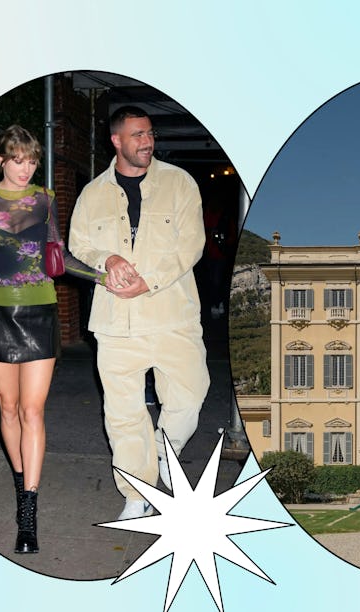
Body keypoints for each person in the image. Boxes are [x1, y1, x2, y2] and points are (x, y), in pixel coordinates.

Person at [0, 125, 107, 554]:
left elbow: (60, 255)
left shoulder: (45, 199)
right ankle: (21, 480)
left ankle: (29, 510)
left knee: (33, 410)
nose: (26, 168)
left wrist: (102, 277)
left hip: (39, 312)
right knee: (9, 407)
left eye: (32, 160)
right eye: (18, 160)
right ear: (0, 159)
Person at [69, 105, 210, 520]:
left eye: (149, 134)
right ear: (116, 140)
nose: (146, 142)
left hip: (172, 315)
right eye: (137, 135)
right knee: (123, 414)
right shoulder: (92, 194)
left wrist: (149, 280)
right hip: (115, 322)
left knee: (191, 394)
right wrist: (107, 259)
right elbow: (77, 247)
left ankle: (165, 448)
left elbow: (191, 244)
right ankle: (137, 494)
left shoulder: (179, 183)